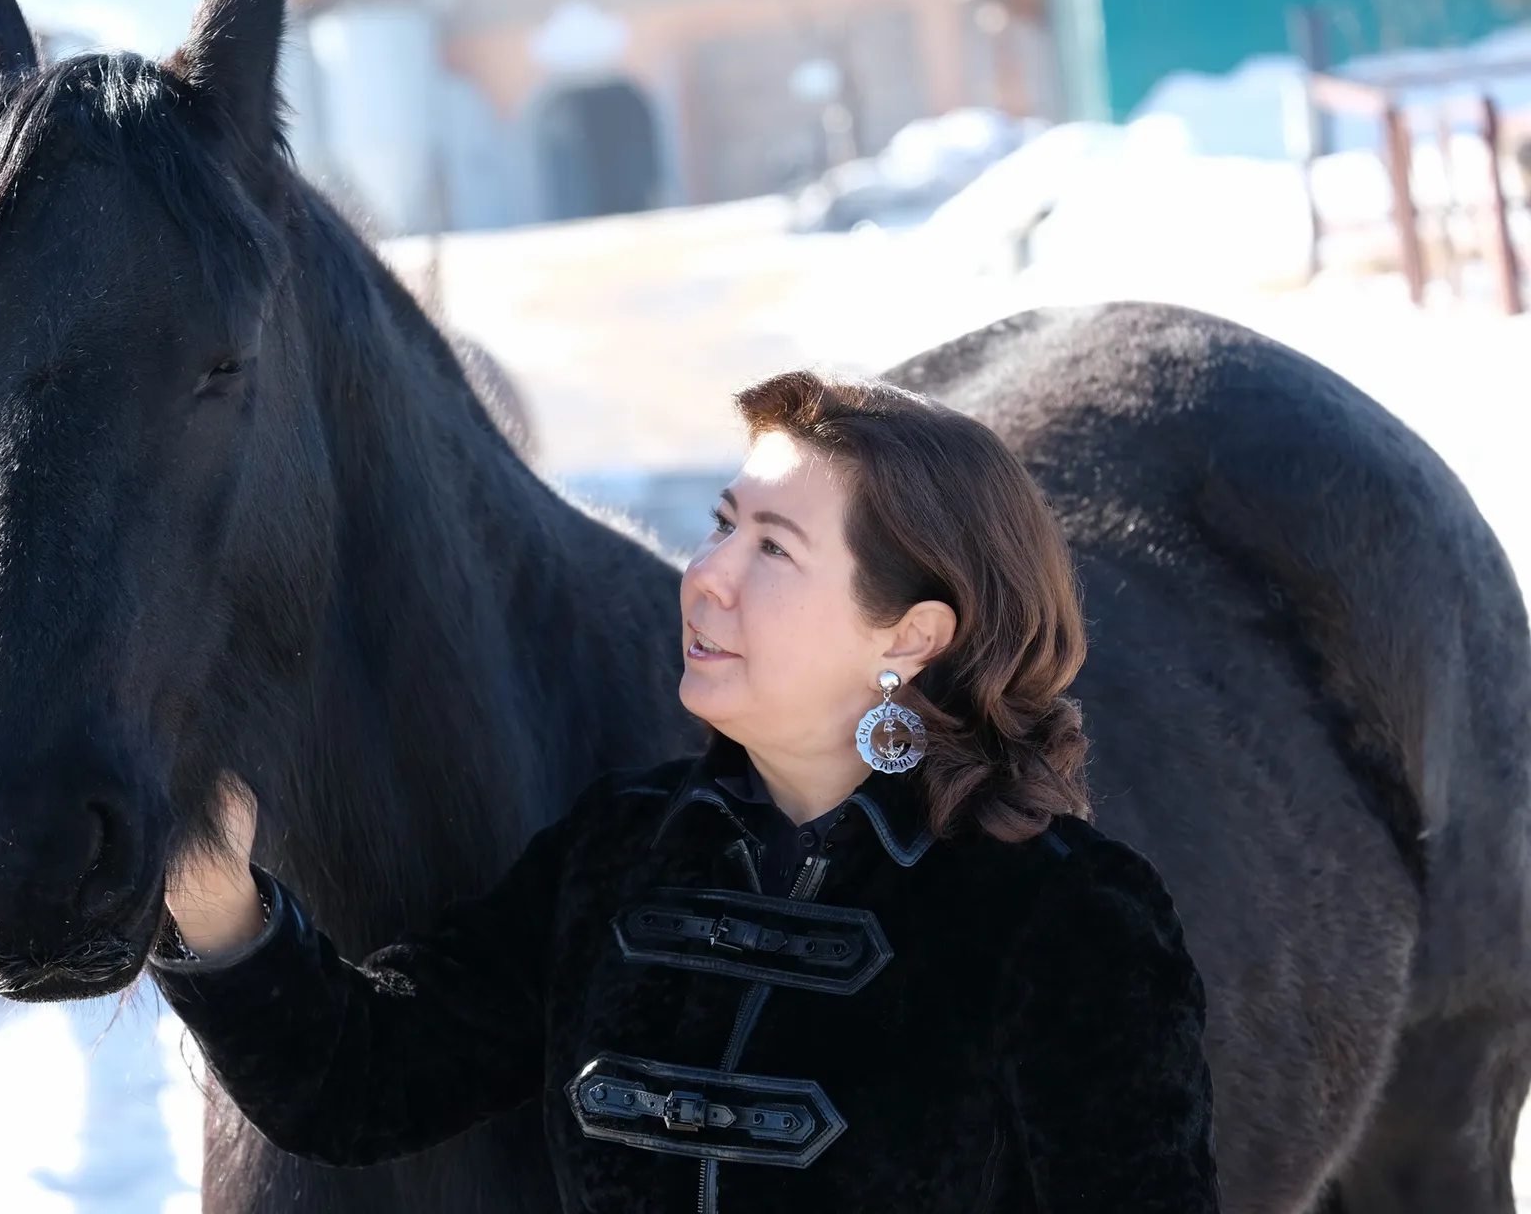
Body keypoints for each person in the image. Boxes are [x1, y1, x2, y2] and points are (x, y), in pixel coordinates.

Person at [152, 371, 1221, 1212]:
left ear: (910, 634)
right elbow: (359, 1080)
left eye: (773, 547)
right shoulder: (616, 853)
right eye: (722, 522)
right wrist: (217, 909)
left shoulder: (1066, 923)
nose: (707, 573)